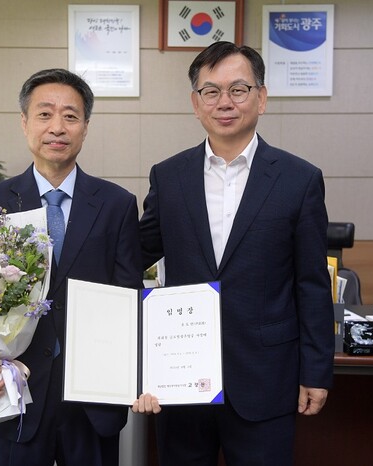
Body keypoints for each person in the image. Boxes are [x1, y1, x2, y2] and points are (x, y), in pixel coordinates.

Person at [133, 41, 335, 466]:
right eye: (211, 91)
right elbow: (134, 258)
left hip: (266, 378)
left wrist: (316, 371)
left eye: (238, 89)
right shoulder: (168, 177)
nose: (224, 102)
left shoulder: (299, 180)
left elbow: (312, 284)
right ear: (196, 103)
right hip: (181, 380)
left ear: (261, 98)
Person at [0, 68, 143, 466]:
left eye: (70, 116)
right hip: (16, 387)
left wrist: (139, 374)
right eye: (45, 114)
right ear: (24, 122)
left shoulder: (117, 204)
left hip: (93, 394)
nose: (57, 127)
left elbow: (129, 294)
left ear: (85, 127)